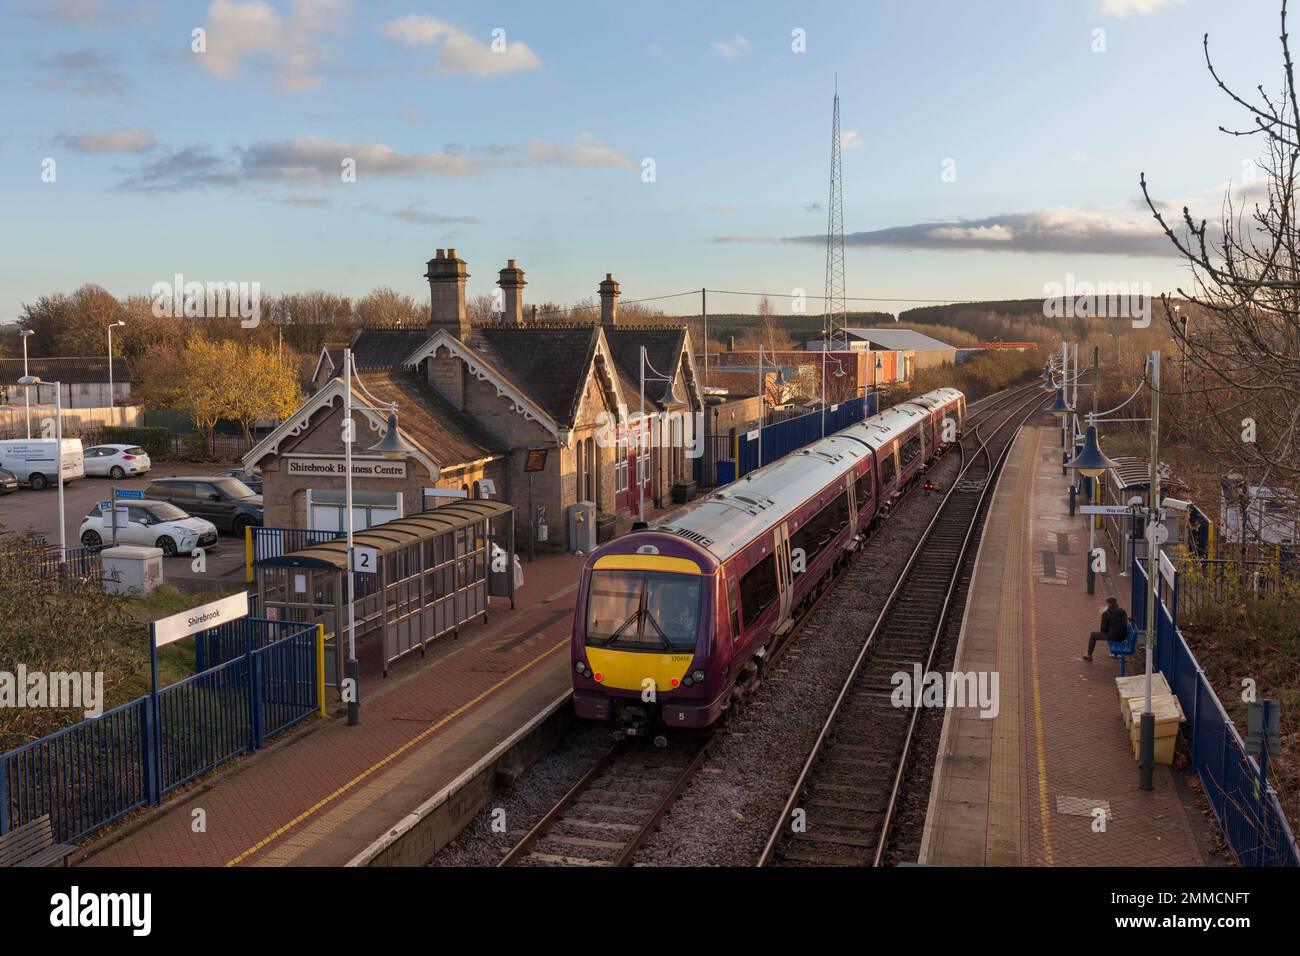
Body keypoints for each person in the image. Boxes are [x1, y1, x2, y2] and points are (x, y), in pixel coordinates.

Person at [1083, 596, 1128, 661]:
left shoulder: (1106, 613)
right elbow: (1125, 623)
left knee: (1093, 635)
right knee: (1110, 632)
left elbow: (1103, 629)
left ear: (1109, 604)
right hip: (1122, 636)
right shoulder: (1123, 611)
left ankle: (1089, 655)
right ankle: (1115, 654)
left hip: (1113, 636)